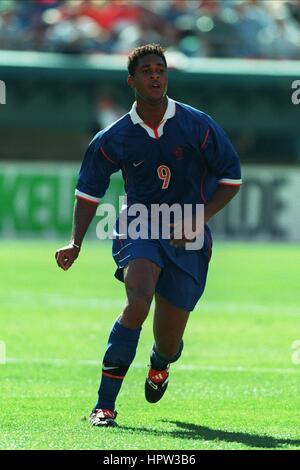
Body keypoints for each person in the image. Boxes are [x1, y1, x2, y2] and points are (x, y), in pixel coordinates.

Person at [55, 44, 242, 427]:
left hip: (187, 233)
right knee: (137, 302)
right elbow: (88, 191)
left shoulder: (197, 124)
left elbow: (231, 178)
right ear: (132, 81)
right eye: (146, 71)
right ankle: (104, 406)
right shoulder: (115, 136)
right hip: (138, 223)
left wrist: (198, 218)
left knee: (169, 343)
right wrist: (76, 241)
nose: (155, 75)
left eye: (160, 69)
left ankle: (160, 363)